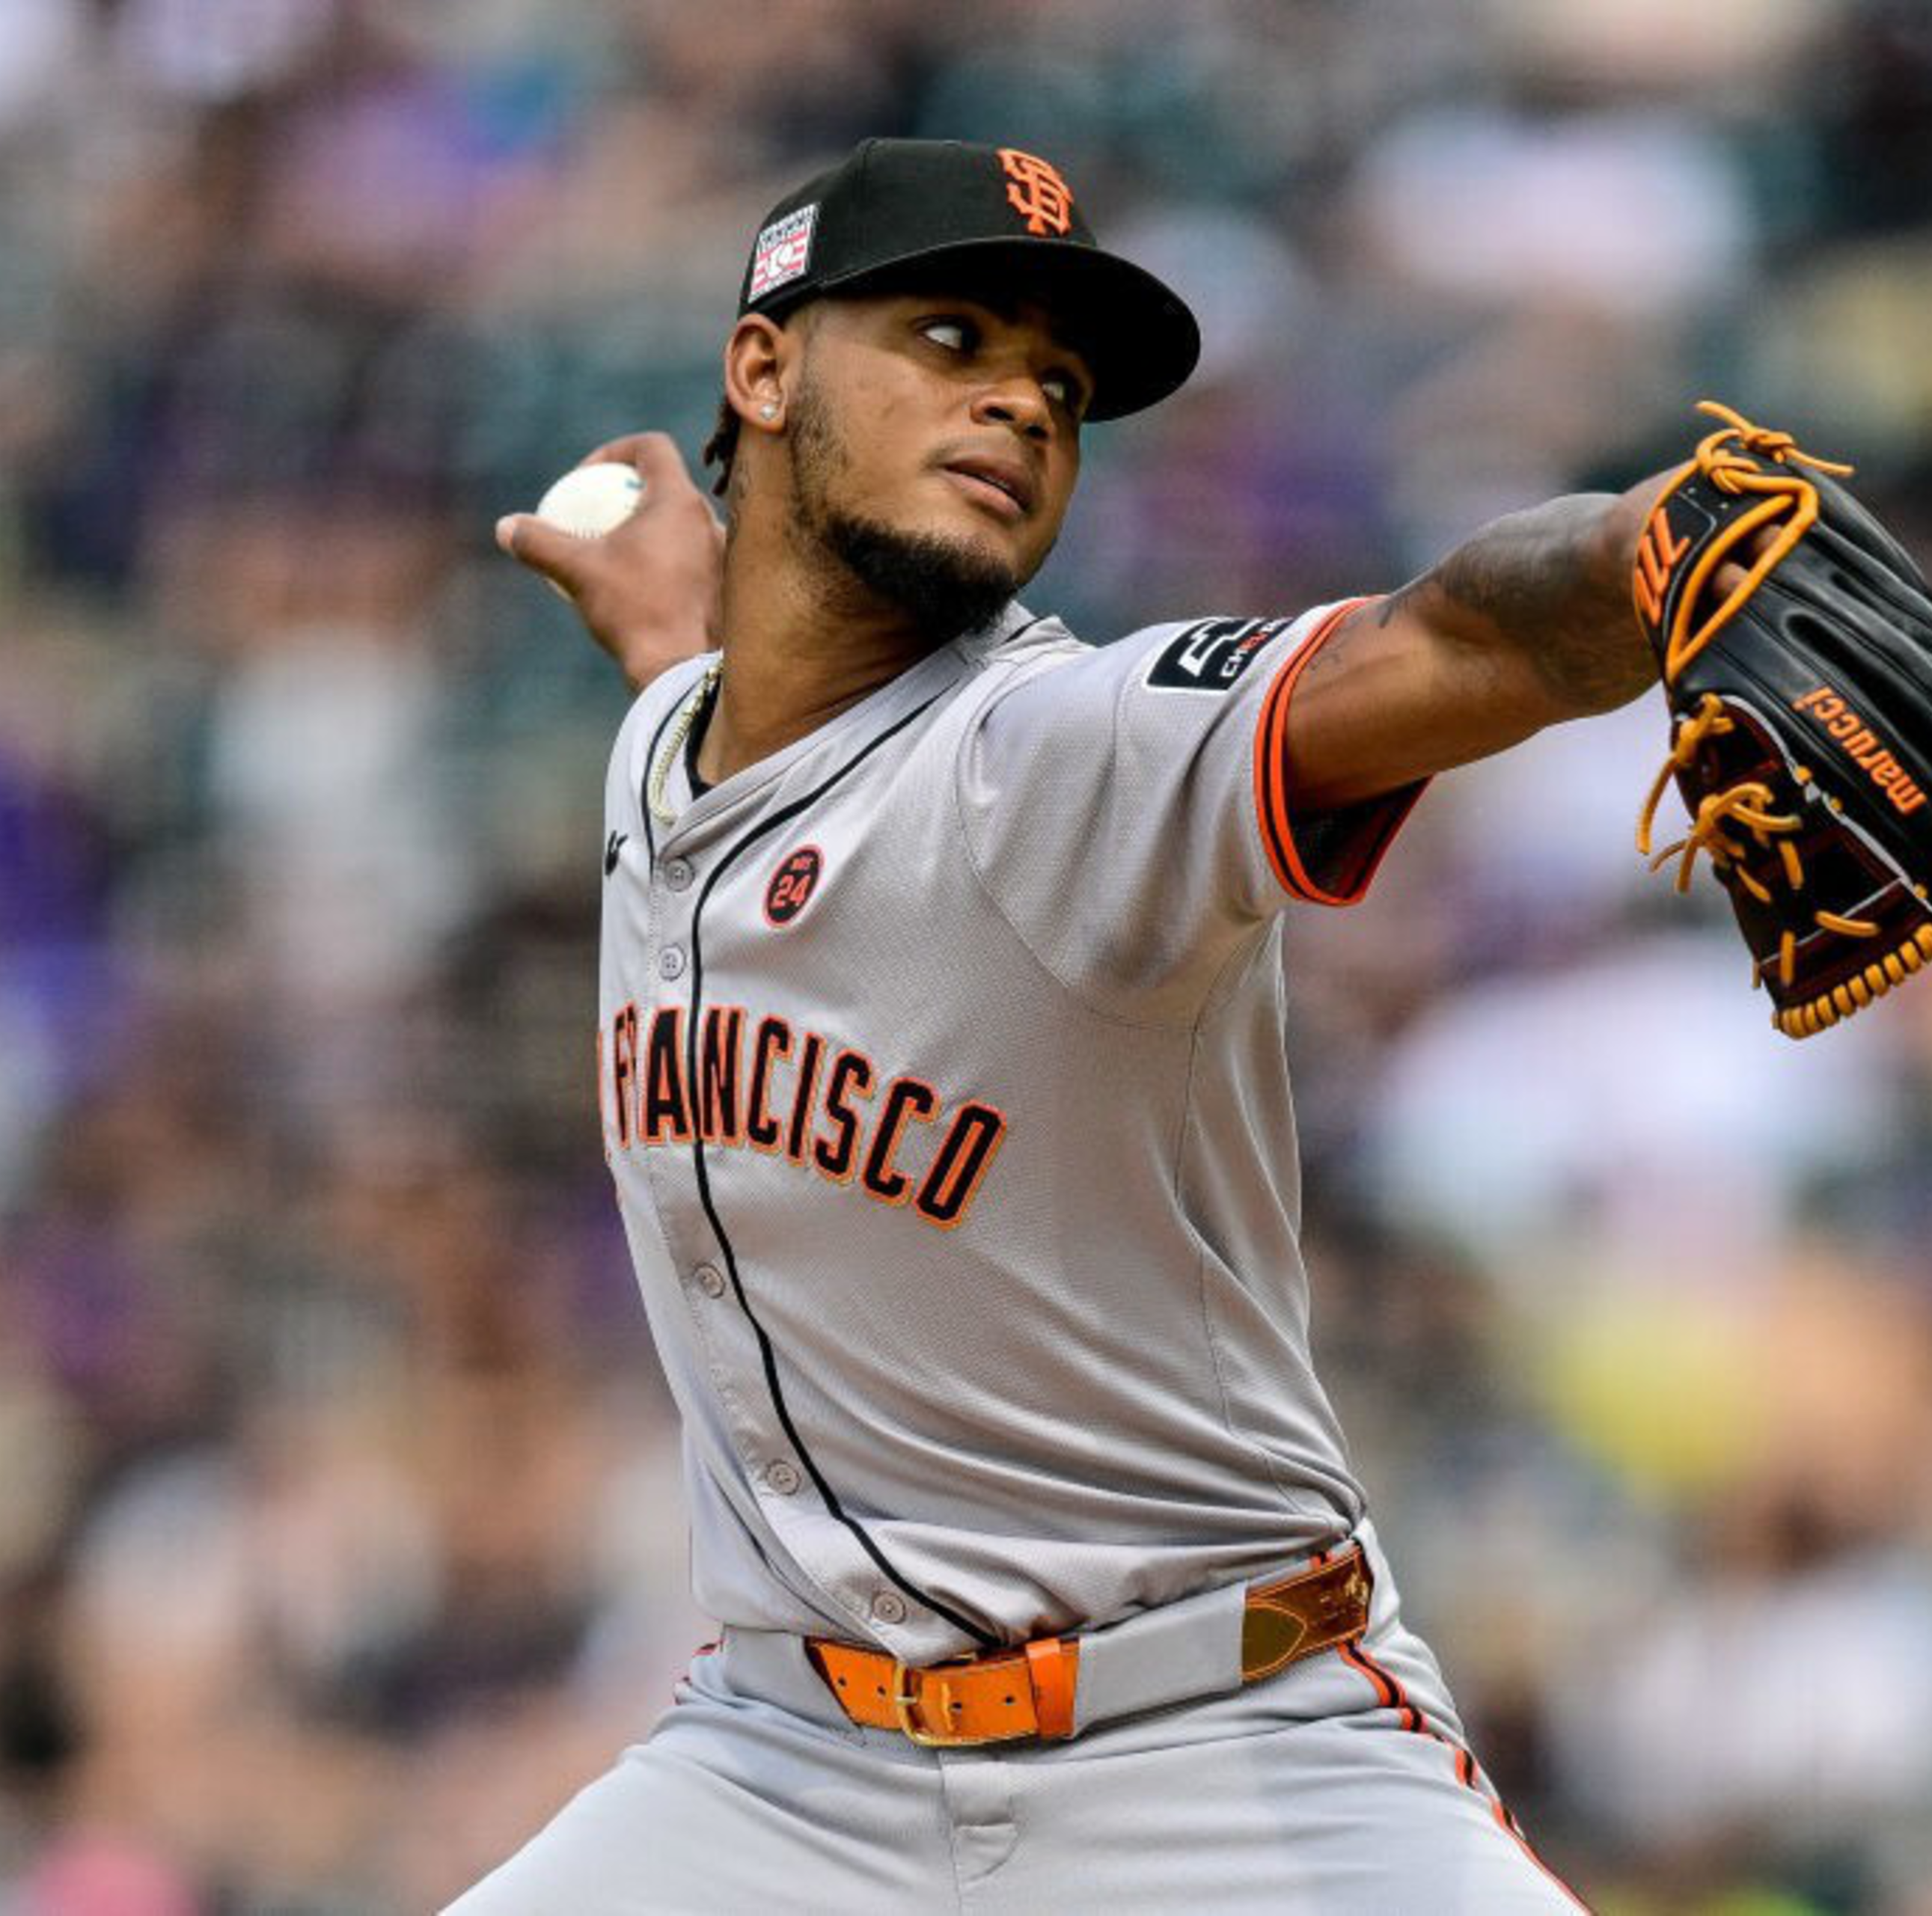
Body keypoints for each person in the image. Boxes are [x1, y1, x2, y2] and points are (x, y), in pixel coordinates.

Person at [459, 135, 1687, 1912]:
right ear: (764, 365)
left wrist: (1661, 555)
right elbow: (729, 714)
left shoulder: (1062, 757)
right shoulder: (675, 740)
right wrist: (662, 598)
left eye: (1061, 383)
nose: (1026, 406)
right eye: (952, 337)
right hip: (784, 1769)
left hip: (1224, 1747)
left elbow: (1442, 647)